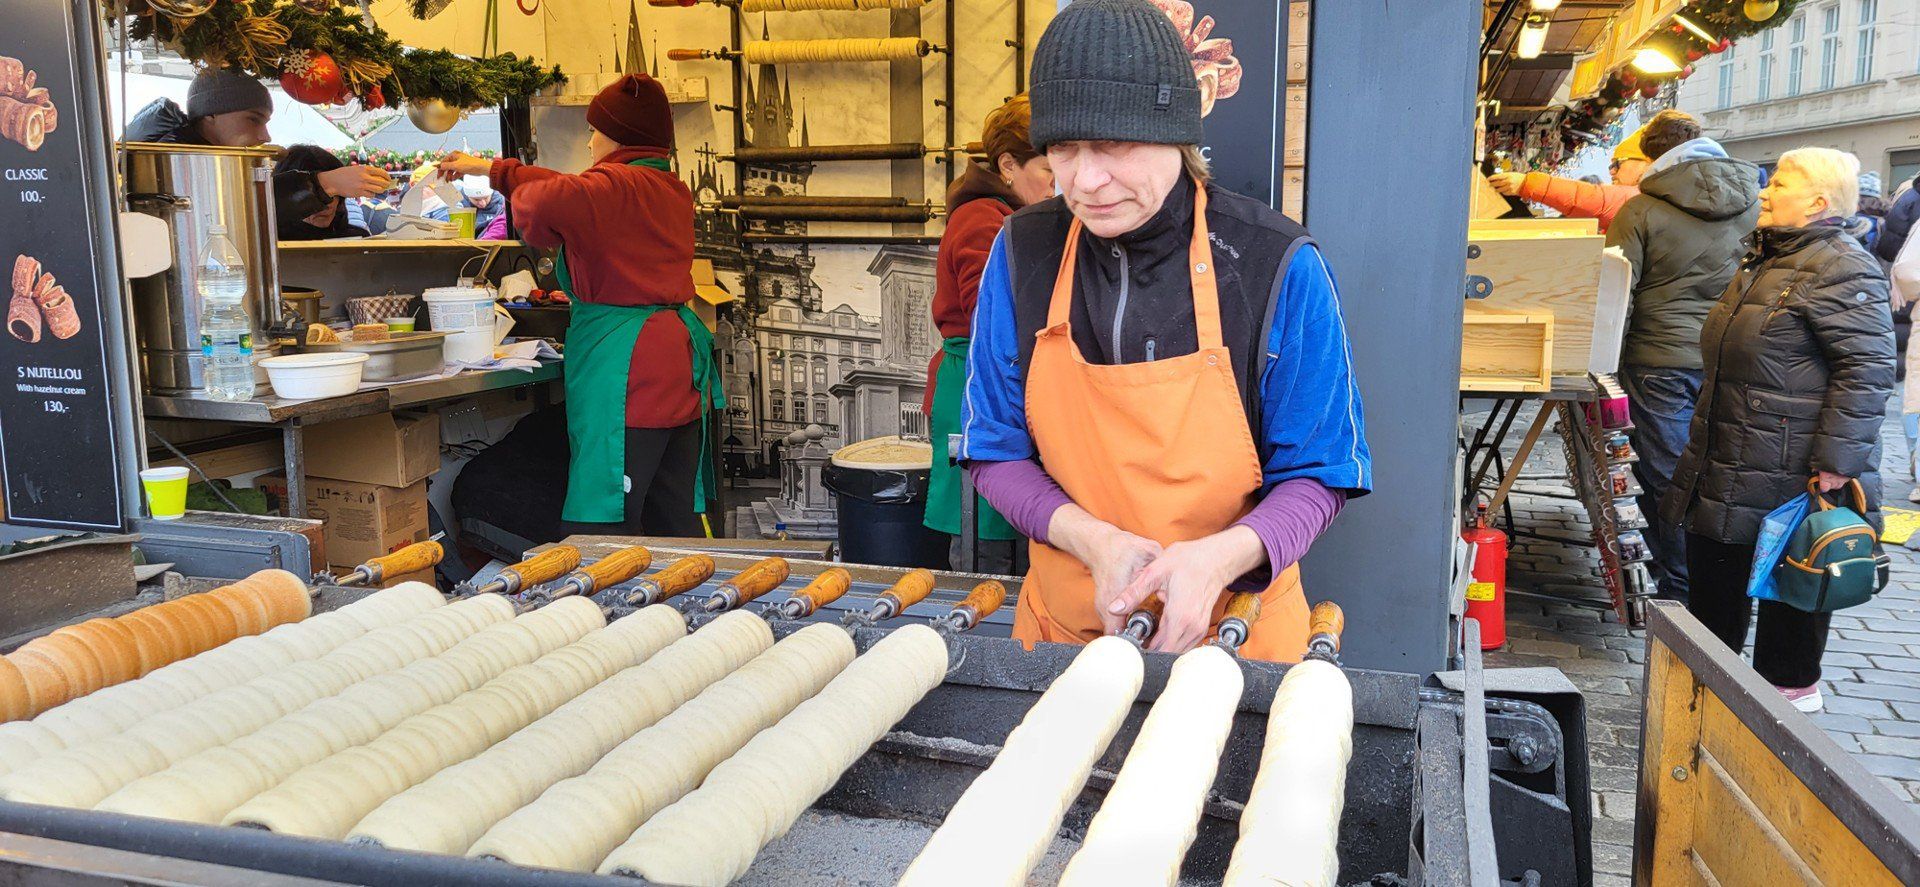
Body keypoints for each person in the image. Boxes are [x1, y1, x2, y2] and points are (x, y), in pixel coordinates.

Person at [960, 0, 1370, 659]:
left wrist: (1216, 560)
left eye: (1114, 145)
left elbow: (1321, 472)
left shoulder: (1276, 265)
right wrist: (1097, 543)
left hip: (1237, 638)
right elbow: (993, 446)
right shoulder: (1022, 251)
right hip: (1068, 636)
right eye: (1063, 148)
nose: (1086, 180)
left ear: (1176, 133)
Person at [437, 73, 720, 537]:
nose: (589, 143)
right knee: (673, 509)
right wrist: (491, 169)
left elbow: (548, 200)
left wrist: (516, 193)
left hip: (628, 365)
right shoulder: (668, 187)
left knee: (605, 514)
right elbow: (575, 188)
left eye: (594, 131)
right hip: (677, 357)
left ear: (616, 137)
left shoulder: (610, 187)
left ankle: (601, 605)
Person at [1665, 148, 1895, 714]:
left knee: (1793, 595)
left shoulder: (1843, 265)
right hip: (1732, 455)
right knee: (1714, 593)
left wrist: (1837, 465)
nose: (1764, 192)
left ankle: (1785, 714)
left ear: (1818, 203)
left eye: (1780, 183)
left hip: (1797, 472)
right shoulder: (1766, 258)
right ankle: (1708, 703)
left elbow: (1866, 370)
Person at [1606, 111, 1760, 603]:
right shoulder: (1754, 204)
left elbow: (1616, 295)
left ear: (1651, 155)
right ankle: (1721, 582)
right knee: (1722, 469)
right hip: (1732, 357)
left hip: (1658, 361)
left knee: (1667, 475)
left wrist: (1601, 362)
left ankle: (1680, 583)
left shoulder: (1642, 208)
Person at [923, 94, 1053, 575]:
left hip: (990, 383)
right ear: (1008, 165)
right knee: (986, 552)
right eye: (1048, 169)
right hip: (980, 388)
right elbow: (992, 321)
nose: (1058, 184)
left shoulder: (1007, 217)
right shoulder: (983, 219)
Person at [125, 68, 392, 208]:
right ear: (210, 115)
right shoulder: (172, 159)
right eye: (253, 119)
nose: (265, 136)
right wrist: (324, 184)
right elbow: (239, 209)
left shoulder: (194, 153)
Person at [1485, 116, 1660, 232]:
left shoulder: (1638, 199)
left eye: (1618, 163)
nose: (1612, 171)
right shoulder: (1654, 200)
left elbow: (1591, 198)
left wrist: (1526, 183)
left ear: (1645, 162)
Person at [273, 146, 371, 240]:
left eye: (335, 190)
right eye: (314, 190)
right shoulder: (268, 243)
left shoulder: (358, 240)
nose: (328, 203)